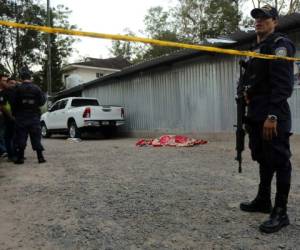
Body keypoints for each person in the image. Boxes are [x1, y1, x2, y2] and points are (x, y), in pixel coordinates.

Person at [239, 5, 295, 233]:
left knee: (280, 160)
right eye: (256, 18)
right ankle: (264, 200)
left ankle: (281, 212)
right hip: (255, 113)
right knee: (262, 157)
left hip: (273, 114)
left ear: (275, 21)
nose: (258, 21)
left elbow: (283, 85)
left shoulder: (280, 45)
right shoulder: (257, 47)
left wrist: (272, 115)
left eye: (264, 18)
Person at [13, 66, 47, 164]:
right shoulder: (37, 88)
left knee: (21, 137)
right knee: (36, 137)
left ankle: (20, 158)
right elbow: (41, 102)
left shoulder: (18, 89)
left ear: (21, 78)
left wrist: (15, 114)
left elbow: (13, 103)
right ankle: (40, 158)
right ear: (30, 77)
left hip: (21, 117)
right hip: (34, 117)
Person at [0, 74, 8, 158]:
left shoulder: (8, 91)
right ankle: (4, 150)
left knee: (4, 134)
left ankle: (5, 150)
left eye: (6, 80)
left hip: (6, 117)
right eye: (3, 80)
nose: (5, 82)